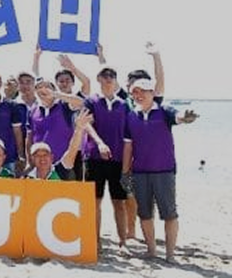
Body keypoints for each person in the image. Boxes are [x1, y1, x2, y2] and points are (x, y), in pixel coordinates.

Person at [123, 78, 187, 262]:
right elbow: (128, 146)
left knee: (169, 214)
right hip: (140, 173)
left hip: (164, 171)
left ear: (152, 92)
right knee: (144, 214)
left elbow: (179, 117)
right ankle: (151, 251)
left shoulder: (164, 111)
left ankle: (170, 255)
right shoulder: (130, 116)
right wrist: (125, 172)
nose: (139, 95)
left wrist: (185, 117)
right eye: (135, 92)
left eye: (143, 91)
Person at [84, 64, 134, 248]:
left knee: (119, 203)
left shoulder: (124, 104)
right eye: (104, 75)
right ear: (98, 79)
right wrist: (99, 143)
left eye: (112, 76)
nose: (108, 78)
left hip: (118, 160)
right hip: (94, 159)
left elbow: (130, 133)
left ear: (115, 80)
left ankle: (123, 242)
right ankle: (95, 242)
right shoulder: (91, 101)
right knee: (94, 202)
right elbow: (86, 124)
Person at [25, 110, 94, 180]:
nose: (42, 158)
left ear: (51, 157)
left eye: (45, 155)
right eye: (38, 155)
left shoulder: (60, 170)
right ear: (32, 159)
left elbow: (72, 150)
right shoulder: (27, 178)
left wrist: (79, 129)